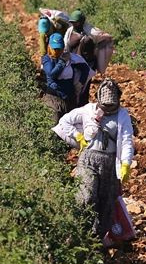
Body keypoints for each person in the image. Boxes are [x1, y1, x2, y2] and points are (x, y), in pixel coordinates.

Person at [55, 79, 135, 243]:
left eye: (111, 107)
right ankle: (78, 232)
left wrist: (126, 163)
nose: (108, 110)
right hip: (88, 159)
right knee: (86, 196)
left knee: (106, 202)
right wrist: (77, 136)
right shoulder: (88, 110)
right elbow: (64, 121)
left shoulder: (122, 115)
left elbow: (127, 140)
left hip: (110, 163)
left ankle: (96, 239)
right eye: (105, 107)